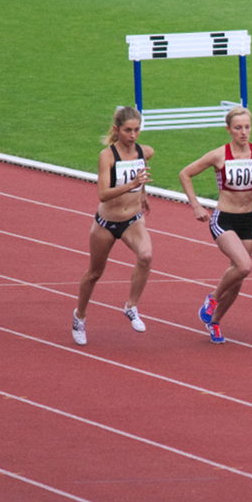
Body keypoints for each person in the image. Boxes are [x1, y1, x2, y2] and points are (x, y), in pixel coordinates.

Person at [179, 106, 252, 343]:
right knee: (244, 266)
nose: (244, 132)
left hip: (248, 219)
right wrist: (195, 205)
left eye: (247, 127)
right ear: (229, 130)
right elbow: (185, 173)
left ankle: (215, 321)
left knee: (238, 278)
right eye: (238, 128)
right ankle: (212, 298)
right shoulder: (219, 155)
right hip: (224, 219)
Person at [71, 107, 154, 346]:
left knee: (146, 255)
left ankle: (131, 306)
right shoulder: (107, 156)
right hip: (106, 223)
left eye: (137, 130)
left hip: (132, 220)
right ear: (117, 130)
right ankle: (80, 316)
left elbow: (143, 174)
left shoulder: (144, 152)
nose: (133, 135)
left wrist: (143, 192)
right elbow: (103, 194)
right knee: (95, 273)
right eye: (128, 130)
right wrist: (133, 185)